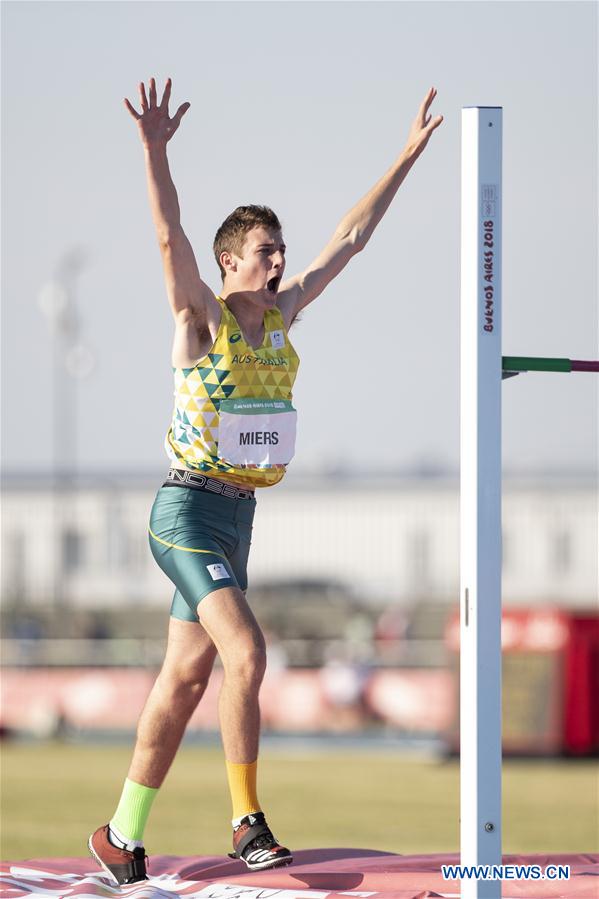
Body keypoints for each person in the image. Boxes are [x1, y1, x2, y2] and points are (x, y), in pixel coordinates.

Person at [88, 77, 442, 886]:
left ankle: (118, 833)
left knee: (183, 680)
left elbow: (349, 239)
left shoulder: (283, 318)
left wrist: (405, 156)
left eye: (282, 250)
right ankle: (247, 820)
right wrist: (153, 151)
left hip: (239, 517)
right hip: (183, 511)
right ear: (228, 264)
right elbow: (166, 237)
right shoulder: (199, 319)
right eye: (265, 252)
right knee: (246, 650)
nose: (281, 262)